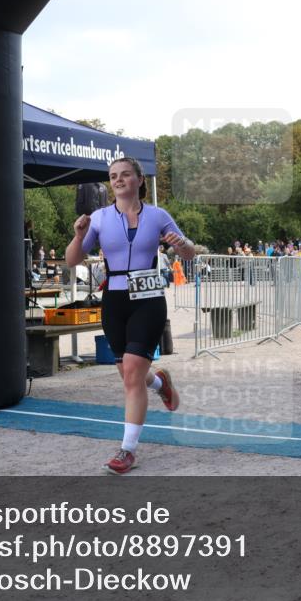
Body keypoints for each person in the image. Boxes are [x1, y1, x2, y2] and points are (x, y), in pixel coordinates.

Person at [65, 157, 195, 475]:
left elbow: (190, 252)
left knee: (133, 373)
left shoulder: (158, 215)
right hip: (115, 300)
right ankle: (160, 382)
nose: (119, 180)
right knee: (129, 375)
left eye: (125, 174)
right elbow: (72, 260)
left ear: (139, 179)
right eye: (113, 176)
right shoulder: (99, 218)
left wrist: (181, 244)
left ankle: (127, 450)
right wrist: (79, 236)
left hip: (148, 299)